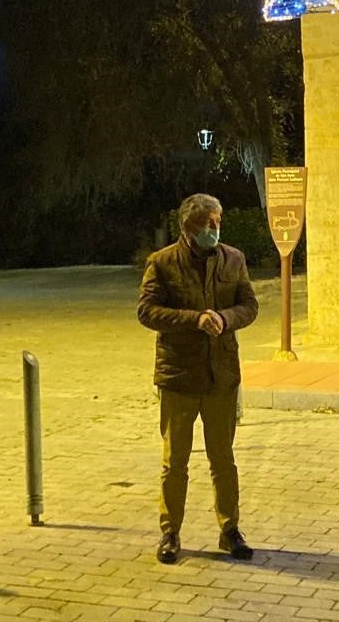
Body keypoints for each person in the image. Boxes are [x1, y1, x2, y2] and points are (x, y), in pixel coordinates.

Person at [138, 193, 259, 565]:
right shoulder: (162, 263)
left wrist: (225, 318)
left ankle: (230, 530)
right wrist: (194, 319)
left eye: (218, 221)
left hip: (222, 375)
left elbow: (249, 305)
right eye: (208, 222)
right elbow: (147, 311)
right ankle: (170, 532)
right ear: (188, 226)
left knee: (224, 459)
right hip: (179, 375)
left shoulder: (233, 259)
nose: (215, 228)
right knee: (175, 461)